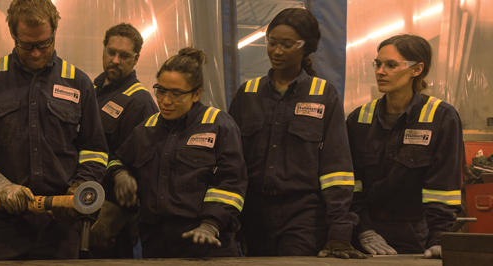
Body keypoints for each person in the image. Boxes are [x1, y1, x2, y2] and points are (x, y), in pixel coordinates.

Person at [0, 0, 108, 260]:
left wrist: (77, 189)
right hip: (3, 224)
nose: (36, 53)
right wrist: (0, 186)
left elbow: (95, 151)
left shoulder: (78, 83)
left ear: (55, 31)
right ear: (13, 34)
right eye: (27, 44)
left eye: (43, 43)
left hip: (61, 226)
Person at [227, 8, 366, 259]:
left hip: (304, 215)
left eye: (287, 44)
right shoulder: (247, 94)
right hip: (253, 214)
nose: (277, 51)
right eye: (272, 43)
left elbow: (337, 166)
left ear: (307, 47)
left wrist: (340, 230)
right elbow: (231, 163)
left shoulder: (324, 95)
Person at [108, 47, 247, 258]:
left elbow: (231, 183)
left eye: (176, 94)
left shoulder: (218, 125)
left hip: (205, 244)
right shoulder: (146, 129)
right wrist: (121, 175)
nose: (165, 100)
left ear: (196, 94)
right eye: (161, 91)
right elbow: (117, 160)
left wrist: (210, 224)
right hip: (155, 245)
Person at [346, 34, 462, 259]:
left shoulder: (441, 118)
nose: (380, 71)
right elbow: (350, 183)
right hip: (362, 234)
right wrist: (364, 230)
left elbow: (443, 188)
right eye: (377, 64)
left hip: (414, 235)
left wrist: (438, 240)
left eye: (390, 65)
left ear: (417, 69)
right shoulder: (358, 119)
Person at [87, 23, 158, 258]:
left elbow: (140, 168)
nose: (115, 60)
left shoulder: (140, 102)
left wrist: (111, 221)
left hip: (109, 221)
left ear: (136, 59)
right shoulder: (90, 91)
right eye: (111, 52)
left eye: (124, 55)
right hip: (80, 207)